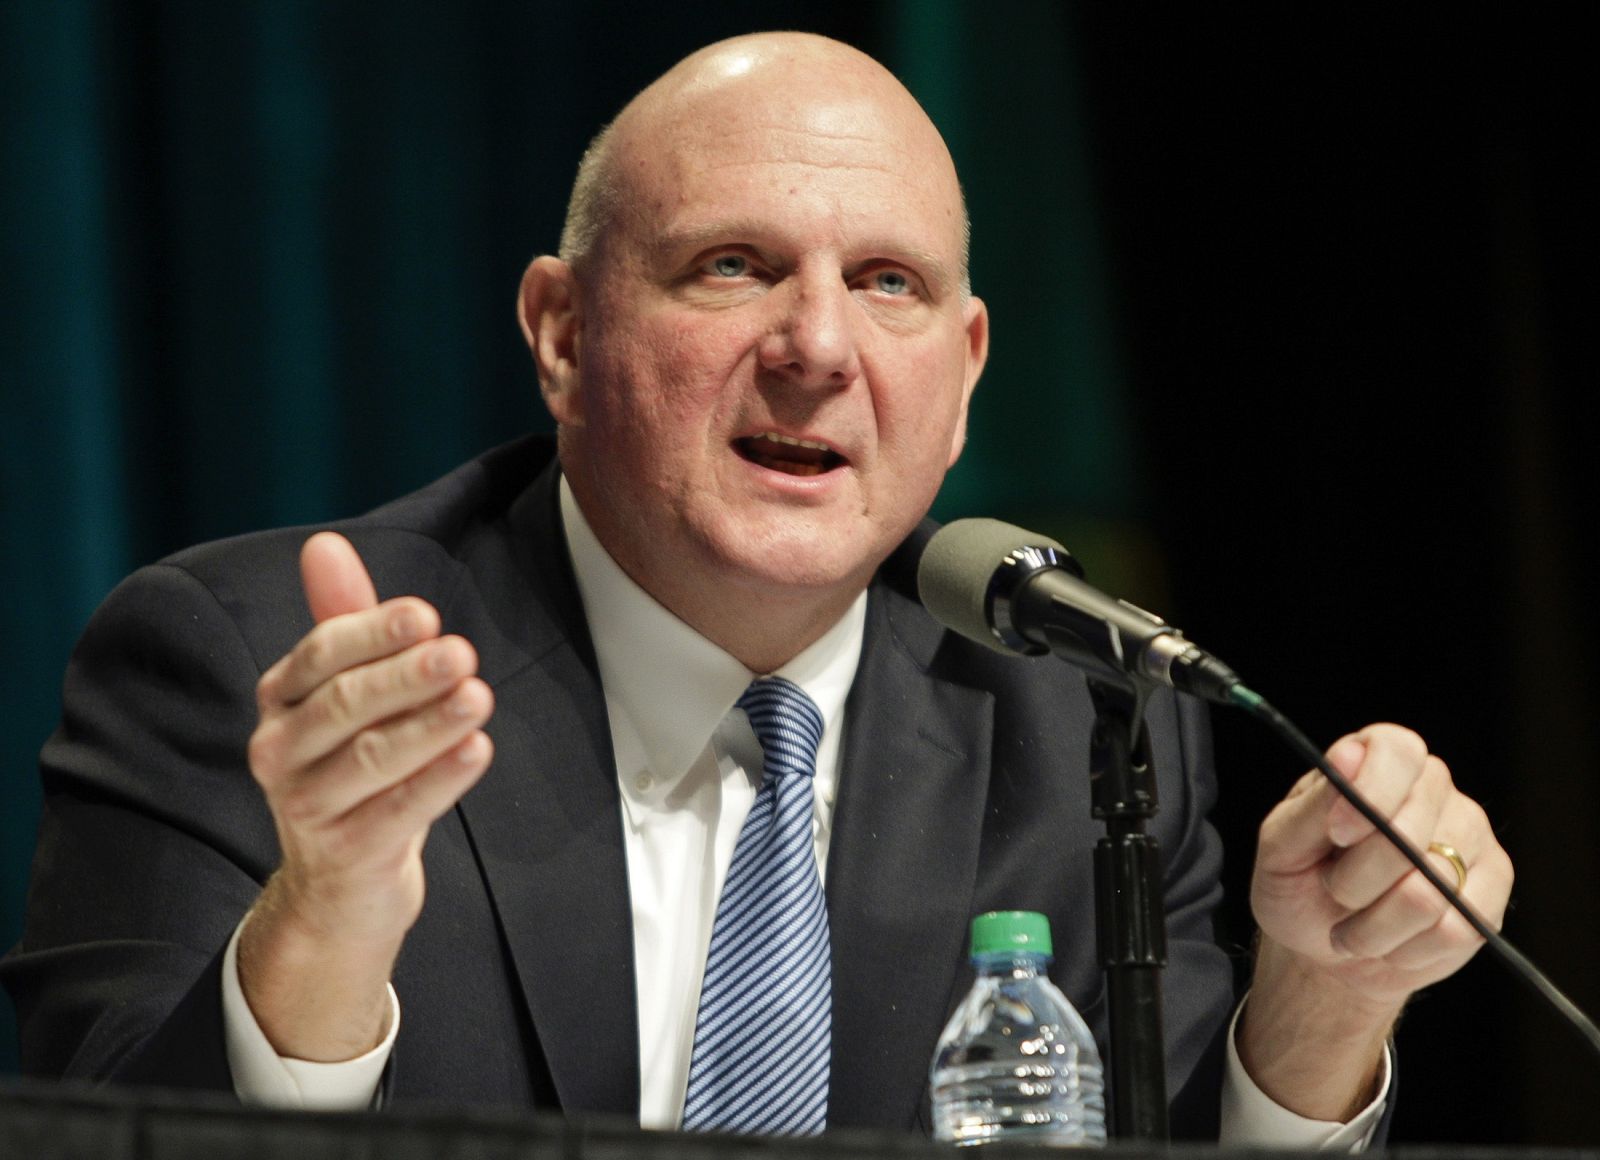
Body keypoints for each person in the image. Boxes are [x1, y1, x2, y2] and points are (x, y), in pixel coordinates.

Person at [3, 31, 1511, 1144]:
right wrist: (323, 925)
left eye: (889, 283)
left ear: (967, 372)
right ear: (562, 331)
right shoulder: (265, 668)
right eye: (732, 265)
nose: (818, 347)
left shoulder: (1077, 725)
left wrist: (1327, 995)